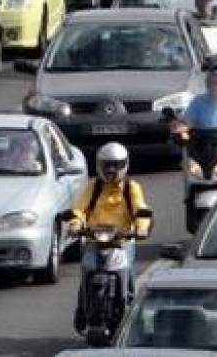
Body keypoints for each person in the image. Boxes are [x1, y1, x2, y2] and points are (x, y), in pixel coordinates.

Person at [68, 142, 152, 334]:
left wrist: (141, 228)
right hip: (94, 240)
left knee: (129, 279)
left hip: (122, 241)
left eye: (116, 165)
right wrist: (75, 224)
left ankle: (132, 313)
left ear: (125, 165)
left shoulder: (132, 188)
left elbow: (140, 210)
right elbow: (79, 208)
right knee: (87, 270)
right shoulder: (94, 187)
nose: (111, 170)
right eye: (107, 165)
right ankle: (82, 306)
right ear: (99, 165)